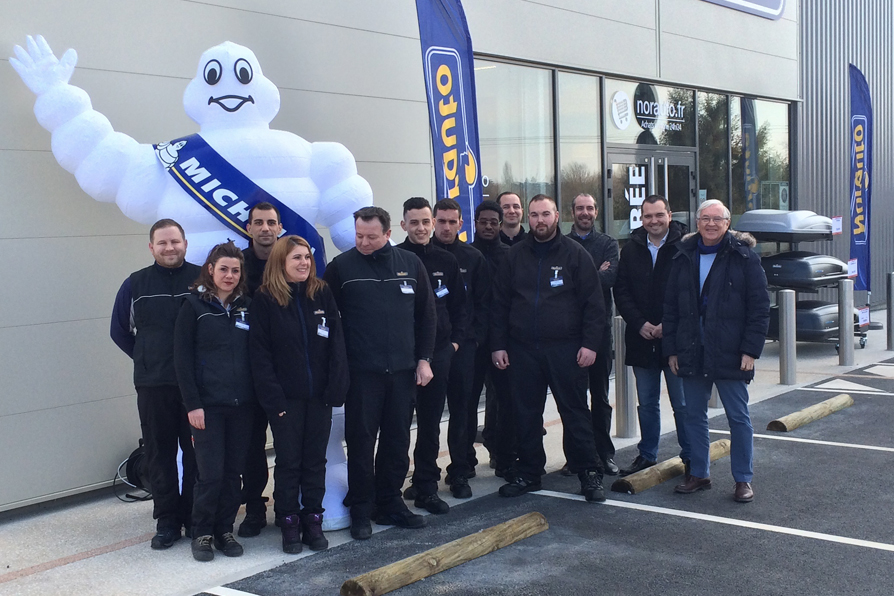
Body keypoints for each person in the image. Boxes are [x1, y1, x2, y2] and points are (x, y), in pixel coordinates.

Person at [323, 206, 437, 540]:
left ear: (388, 234)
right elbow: (328, 320)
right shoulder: (341, 268)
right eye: (359, 236)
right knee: (360, 443)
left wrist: (424, 359)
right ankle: (361, 508)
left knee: (397, 441)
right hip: (362, 376)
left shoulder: (410, 264)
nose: (364, 242)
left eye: (372, 237)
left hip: (402, 373)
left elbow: (426, 316)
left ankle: (391, 502)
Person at [491, 195, 607, 502]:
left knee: (575, 412)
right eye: (534, 215)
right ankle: (529, 472)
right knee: (526, 414)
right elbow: (500, 305)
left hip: (566, 349)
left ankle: (588, 472)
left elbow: (594, 306)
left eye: (545, 214)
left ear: (556, 216)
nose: (539, 220)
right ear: (528, 219)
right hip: (522, 349)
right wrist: (499, 345)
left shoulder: (575, 254)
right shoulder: (514, 256)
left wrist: (589, 345)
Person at [663, 199, 769, 503]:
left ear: (728, 222)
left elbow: (760, 309)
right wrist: (672, 350)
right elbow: (670, 308)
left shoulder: (744, 257)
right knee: (693, 414)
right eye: (705, 218)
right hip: (692, 350)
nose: (711, 224)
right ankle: (699, 472)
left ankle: (743, 479)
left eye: (717, 219)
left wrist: (750, 350)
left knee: (738, 417)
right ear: (697, 222)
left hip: (732, 352)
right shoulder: (682, 255)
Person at [250, 235, 349, 553]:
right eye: (296, 258)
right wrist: (273, 401)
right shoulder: (265, 299)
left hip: (318, 398)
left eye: (307, 257)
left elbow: (336, 342)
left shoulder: (320, 293)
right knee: (290, 462)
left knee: (315, 462)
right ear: (281, 262)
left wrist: (336, 386)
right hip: (285, 402)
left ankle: (313, 520)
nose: (304, 262)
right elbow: (260, 356)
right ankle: (289, 522)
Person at [110, 219, 200, 550]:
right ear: (151, 247)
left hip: (195, 387)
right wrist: (145, 358)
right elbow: (119, 330)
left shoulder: (202, 281)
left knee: (196, 455)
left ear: (185, 243)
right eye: (162, 243)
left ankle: (193, 517)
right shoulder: (136, 284)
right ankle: (166, 520)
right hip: (154, 386)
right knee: (159, 452)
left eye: (175, 241)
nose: (169, 248)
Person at [173, 242, 254, 562]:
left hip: (242, 406)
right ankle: (202, 533)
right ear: (210, 270)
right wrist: (192, 404)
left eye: (235, 270)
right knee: (210, 474)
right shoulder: (192, 307)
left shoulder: (247, 306)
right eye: (224, 269)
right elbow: (182, 360)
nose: (230, 275)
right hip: (207, 407)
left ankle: (224, 530)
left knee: (234, 473)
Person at [397, 198, 468, 513]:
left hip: (438, 354)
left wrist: (452, 346)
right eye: (414, 222)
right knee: (397, 425)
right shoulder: (394, 258)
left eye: (426, 222)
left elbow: (460, 308)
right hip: (401, 357)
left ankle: (426, 486)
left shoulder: (447, 261)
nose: (422, 228)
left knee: (429, 424)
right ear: (403, 225)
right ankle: (391, 488)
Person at [613, 195, 691, 476]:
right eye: (648, 216)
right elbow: (621, 290)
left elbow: (689, 293)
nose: (654, 221)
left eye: (659, 215)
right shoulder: (631, 249)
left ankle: (690, 455)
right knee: (646, 403)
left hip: (676, 341)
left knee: (682, 403)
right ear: (641, 219)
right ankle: (647, 454)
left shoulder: (685, 247)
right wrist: (640, 323)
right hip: (641, 337)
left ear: (669, 215)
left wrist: (667, 326)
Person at [431, 198, 489, 497]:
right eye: (441, 221)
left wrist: (472, 339)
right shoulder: (414, 256)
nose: (446, 227)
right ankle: (426, 476)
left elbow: (481, 304)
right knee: (427, 415)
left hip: (463, 349)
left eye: (452, 222)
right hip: (427, 353)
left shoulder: (473, 257)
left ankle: (460, 470)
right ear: (433, 221)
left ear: (461, 224)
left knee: (462, 411)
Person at [566, 193, 619, 476]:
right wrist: (594, 273)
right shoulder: (562, 243)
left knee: (600, 397)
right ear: (572, 212)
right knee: (571, 398)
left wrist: (578, 277)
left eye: (589, 208)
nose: (585, 213)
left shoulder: (608, 244)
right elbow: (560, 286)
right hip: (567, 333)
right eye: (579, 208)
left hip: (599, 332)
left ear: (596, 211)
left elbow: (610, 279)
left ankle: (604, 454)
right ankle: (574, 456)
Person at [238, 201, 283, 537]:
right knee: (251, 449)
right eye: (259, 222)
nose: (265, 228)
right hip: (244, 376)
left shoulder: (292, 263)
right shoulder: (234, 266)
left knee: (288, 447)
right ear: (248, 228)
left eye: (271, 222)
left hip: (285, 376)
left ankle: (286, 508)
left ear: (279, 227)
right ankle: (254, 509)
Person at [470, 201, 515, 478]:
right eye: (483, 221)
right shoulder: (463, 254)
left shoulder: (511, 255)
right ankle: (464, 462)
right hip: (472, 343)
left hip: (504, 341)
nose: (488, 226)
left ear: (500, 224)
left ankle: (504, 456)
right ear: (475, 223)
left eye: (493, 222)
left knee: (505, 401)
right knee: (467, 403)